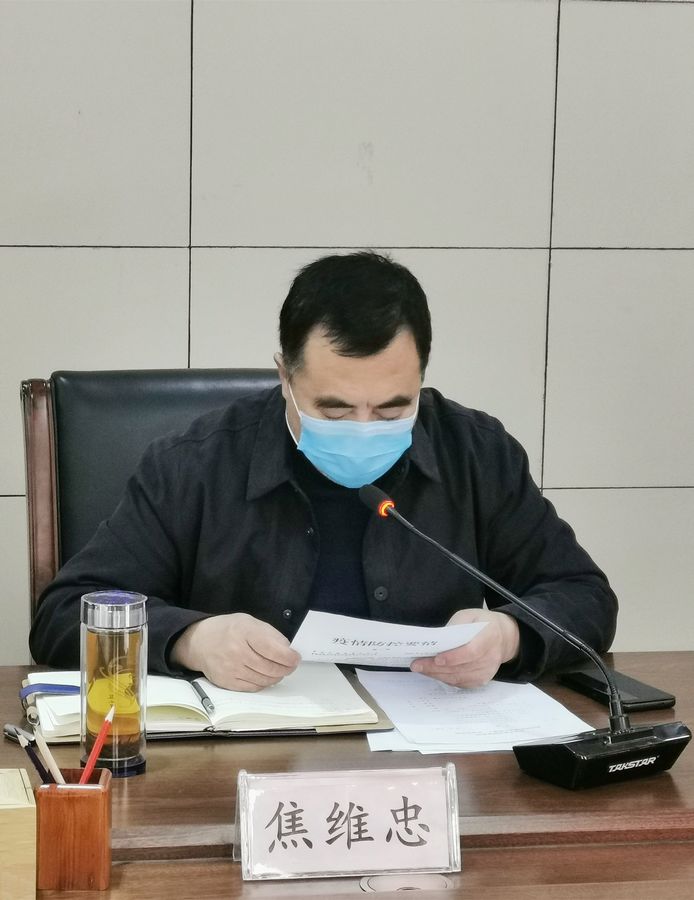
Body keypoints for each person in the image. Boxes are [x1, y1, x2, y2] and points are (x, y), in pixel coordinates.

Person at [30, 251, 617, 691]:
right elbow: (63, 615)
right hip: (247, 762)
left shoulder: (475, 453)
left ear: (421, 378)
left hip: (430, 759)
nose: (363, 427)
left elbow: (583, 595)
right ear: (284, 377)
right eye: (334, 409)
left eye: (392, 409)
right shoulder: (195, 462)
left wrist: (510, 634)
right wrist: (190, 640)